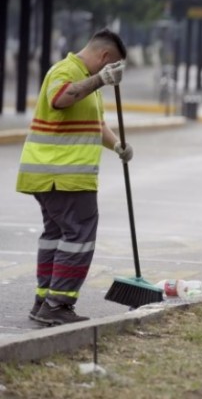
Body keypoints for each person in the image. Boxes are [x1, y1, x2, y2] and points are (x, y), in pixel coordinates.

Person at [16, 28, 132, 326]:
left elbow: (98, 124)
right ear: (105, 57)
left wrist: (118, 144)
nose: (110, 72)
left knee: (56, 236)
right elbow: (60, 98)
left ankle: (44, 300)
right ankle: (57, 304)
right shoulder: (66, 70)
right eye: (111, 65)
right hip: (63, 175)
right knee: (78, 238)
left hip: (56, 175)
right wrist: (100, 80)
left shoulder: (86, 83)